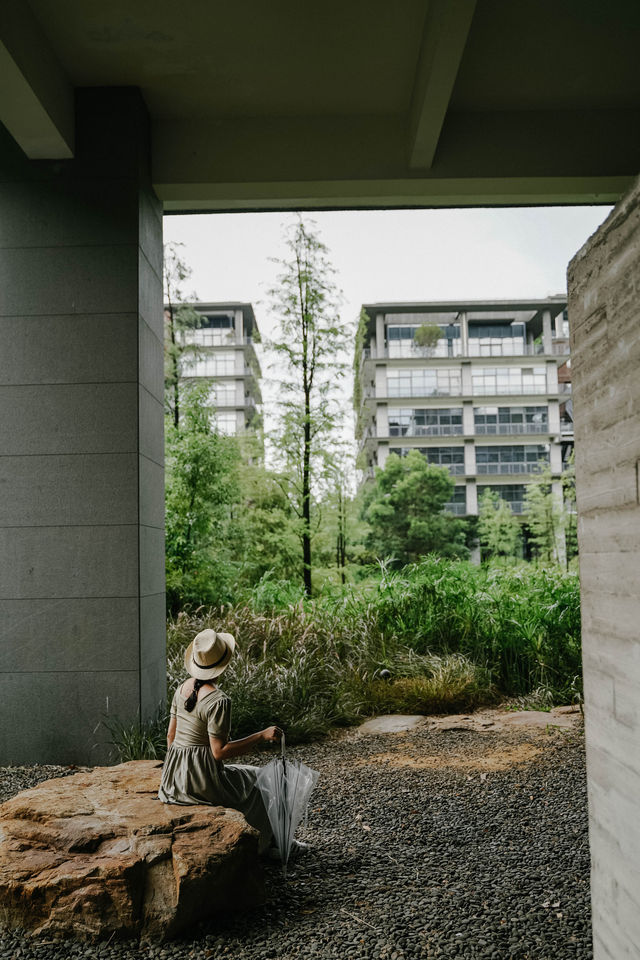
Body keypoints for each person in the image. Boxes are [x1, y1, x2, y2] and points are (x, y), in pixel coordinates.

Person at [158, 628, 282, 854]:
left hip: (172, 780)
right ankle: (266, 847)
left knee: (246, 778)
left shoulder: (181, 689)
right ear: (223, 664)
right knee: (260, 779)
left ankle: (265, 842)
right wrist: (261, 735)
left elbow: (170, 737)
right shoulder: (218, 700)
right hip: (202, 782)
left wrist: (178, 769)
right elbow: (219, 752)